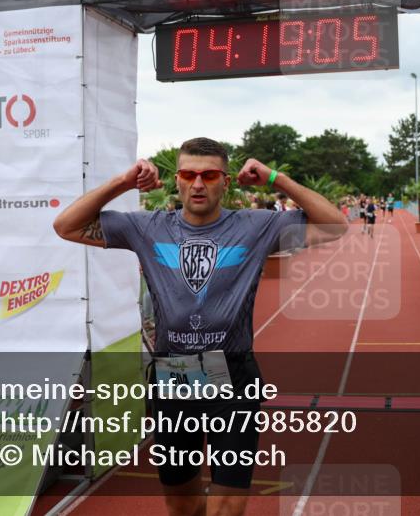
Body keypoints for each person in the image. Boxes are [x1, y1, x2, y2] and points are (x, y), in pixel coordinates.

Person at [53, 137, 347, 516]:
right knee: (182, 503)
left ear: (225, 182)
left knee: (226, 507)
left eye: (209, 175)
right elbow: (65, 225)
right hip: (173, 376)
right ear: (176, 180)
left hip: (234, 376)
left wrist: (277, 178)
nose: (197, 184)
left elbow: (335, 225)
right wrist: (123, 182)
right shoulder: (147, 227)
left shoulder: (256, 226)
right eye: (188, 174)